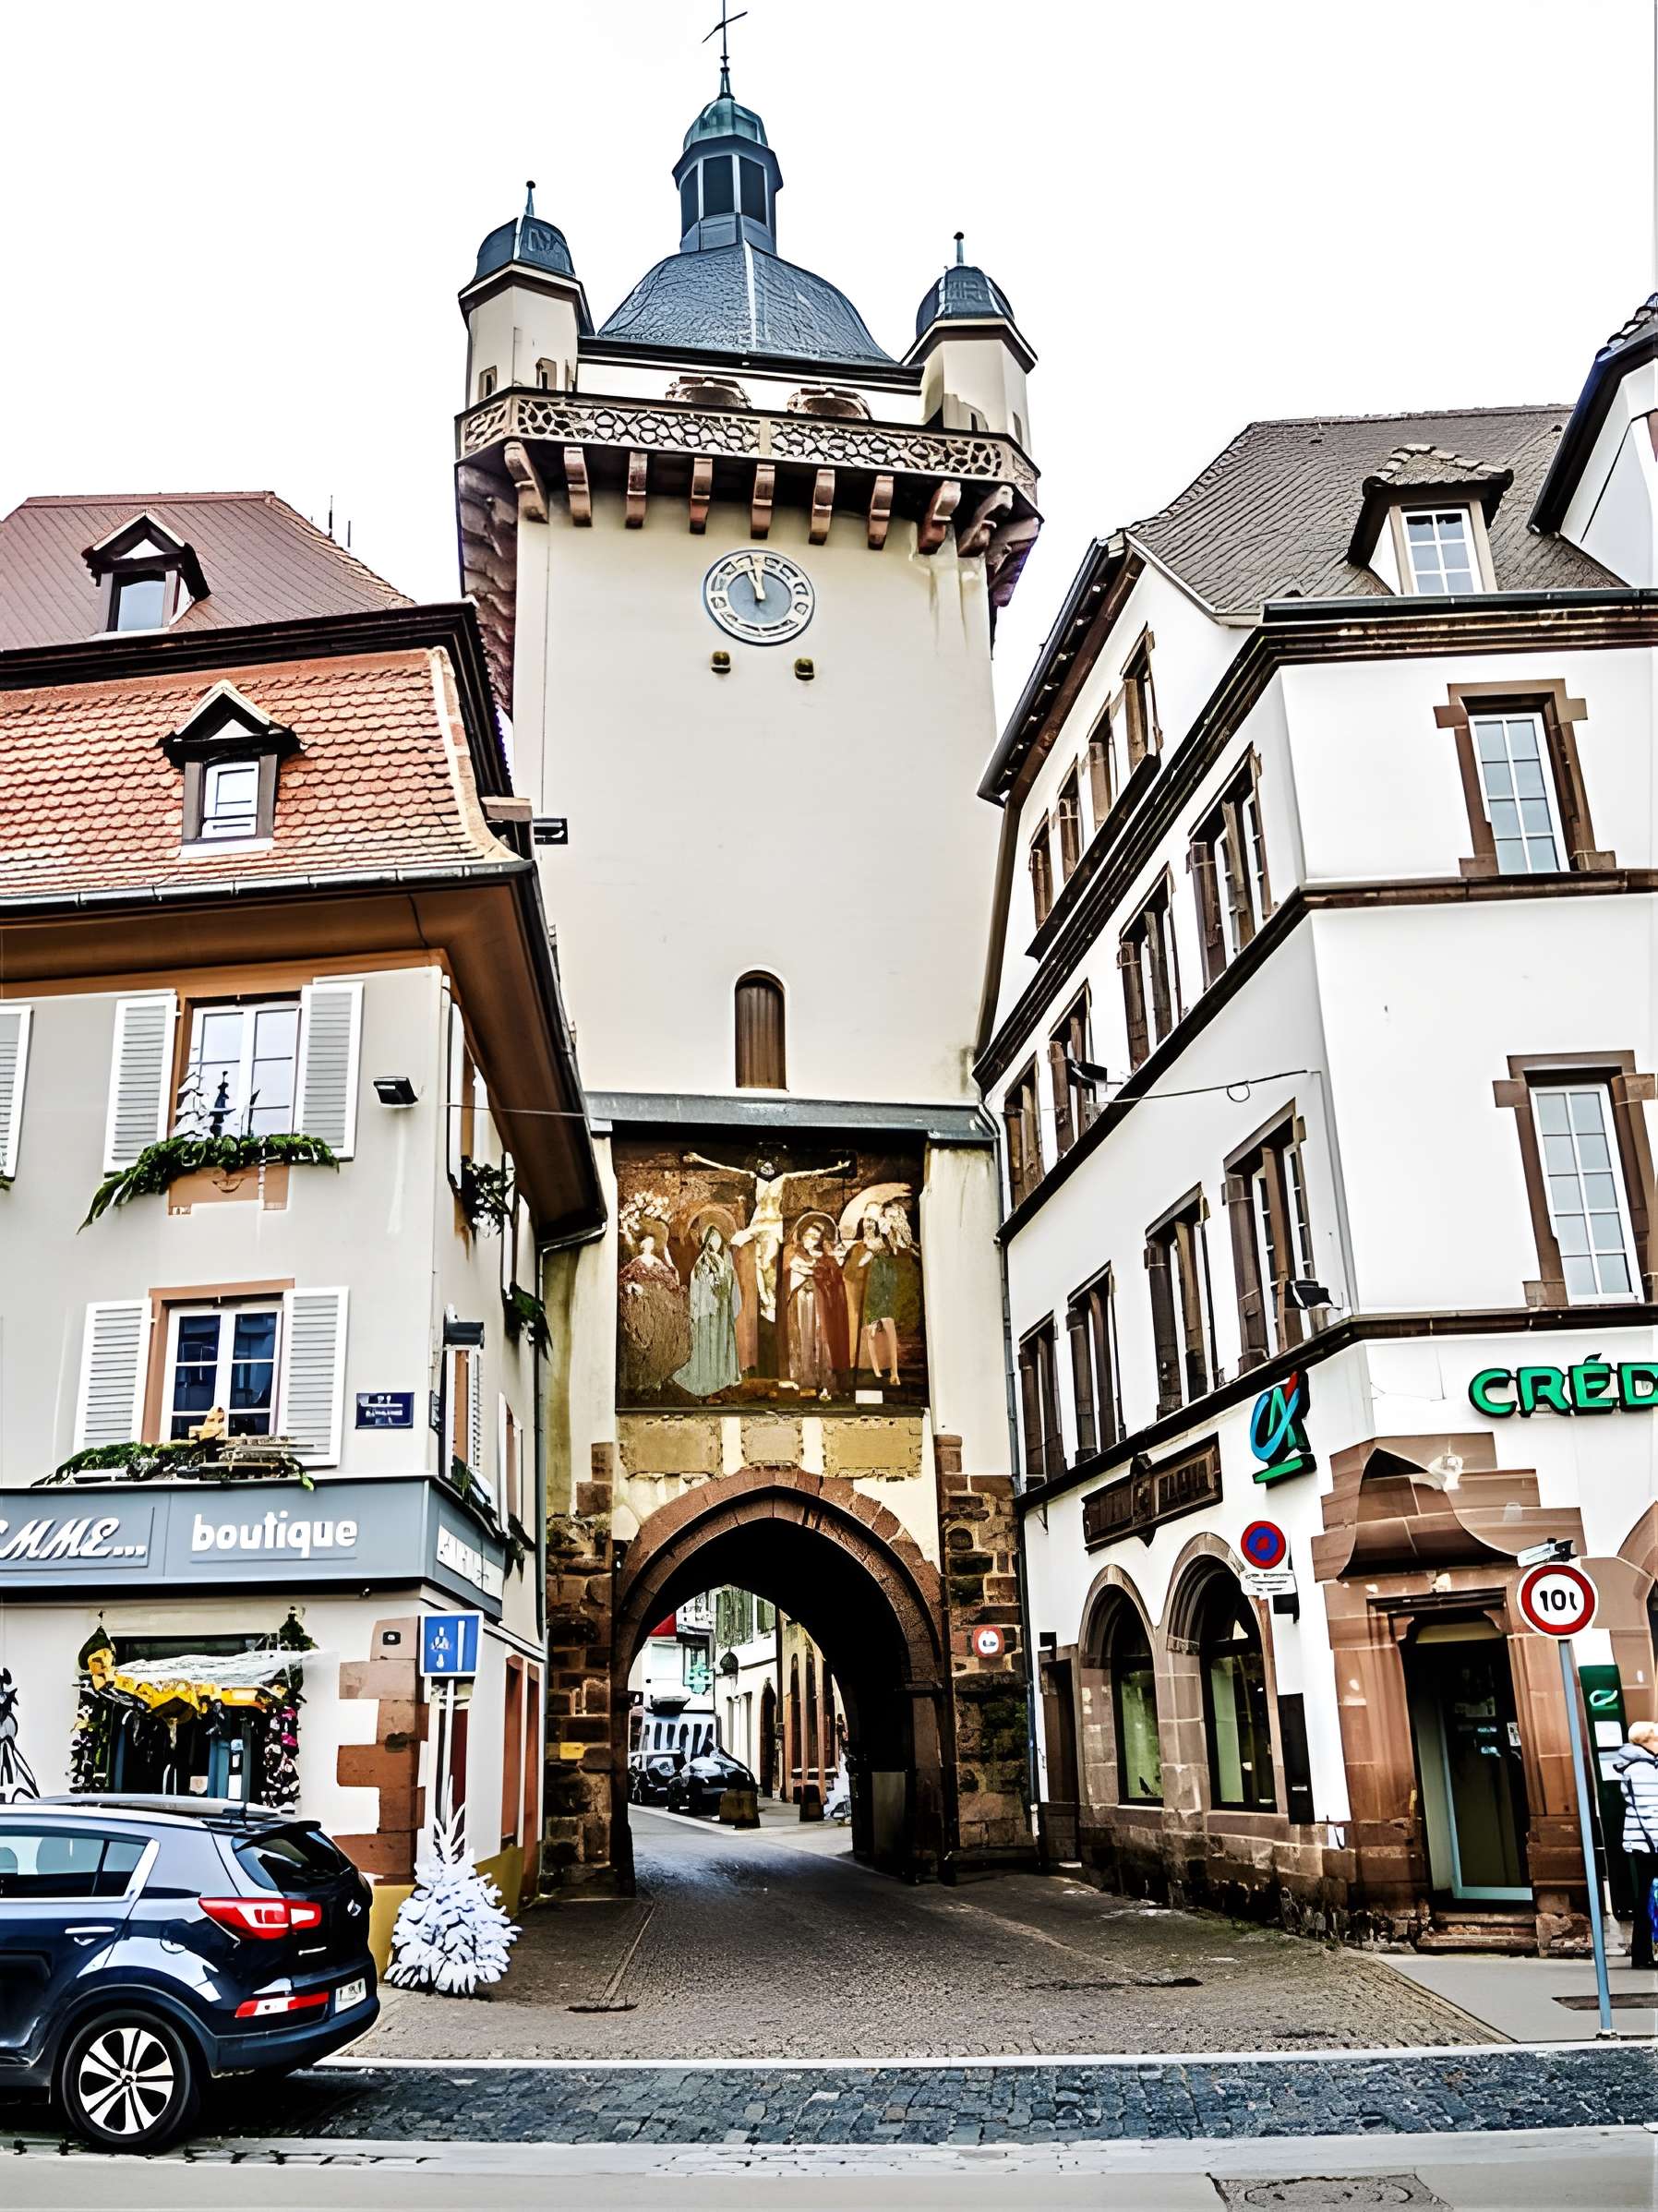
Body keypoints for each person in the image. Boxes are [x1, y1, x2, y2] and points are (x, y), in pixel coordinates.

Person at [672, 1224, 743, 1398]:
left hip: (721, 1313)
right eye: (712, 1238)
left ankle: (720, 1382)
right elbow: (700, 1287)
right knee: (708, 1345)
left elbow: (731, 1285)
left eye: (718, 1238)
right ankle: (708, 1383)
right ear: (707, 1241)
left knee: (721, 1344)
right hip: (708, 1312)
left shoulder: (724, 1261)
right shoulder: (703, 1262)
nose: (715, 1242)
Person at [1612, 1719, 1658, 1970]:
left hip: (1644, 1843)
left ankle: (1644, 1954)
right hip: (1649, 1845)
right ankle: (1644, 1954)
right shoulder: (1641, 1769)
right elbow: (1650, 1811)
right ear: (1646, 1741)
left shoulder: (1645, 1765)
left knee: (1647, 1898)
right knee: (1647, 1899)